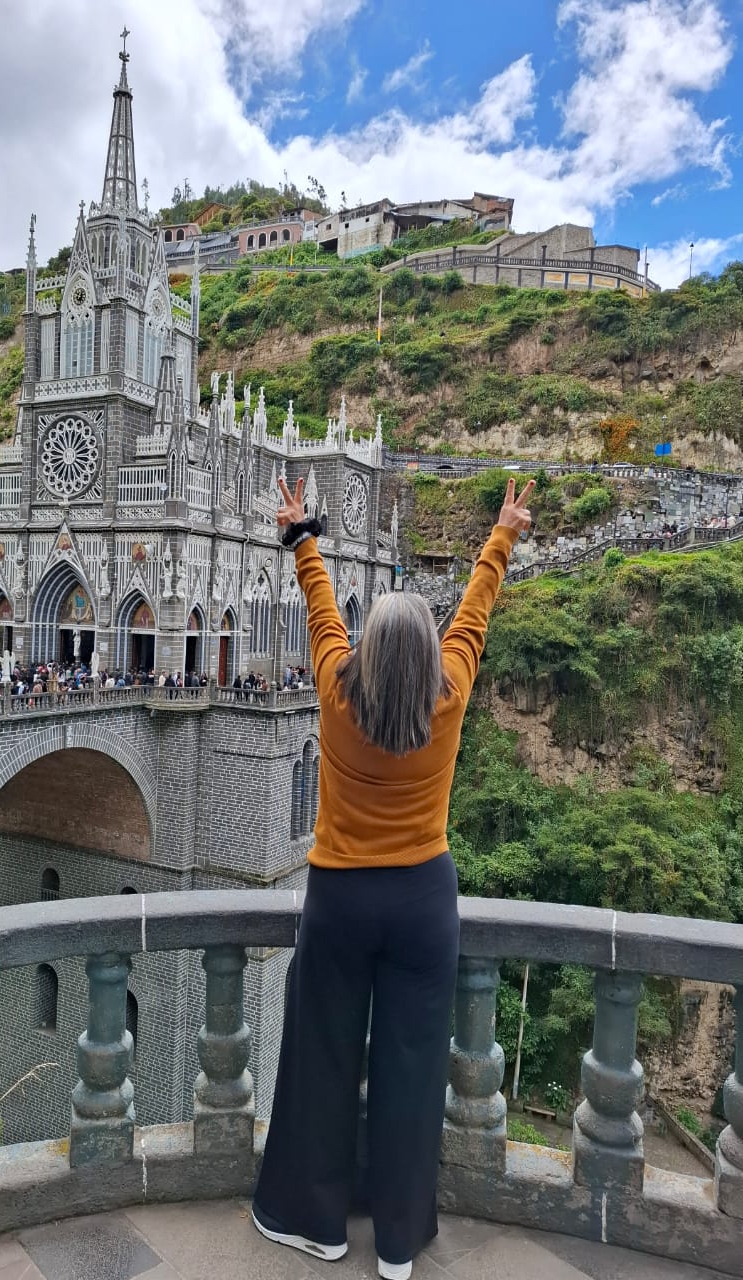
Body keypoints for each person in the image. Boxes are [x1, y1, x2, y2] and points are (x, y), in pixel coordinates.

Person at [252, 474, 533, 1280]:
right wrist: (502, 535)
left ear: (369, 648)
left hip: (341, 897)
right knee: (412, 1068)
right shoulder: (450, 694)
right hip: (421, 902)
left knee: (324, 1057)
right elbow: (473, 613)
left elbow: (320, 606)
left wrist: (302, 534)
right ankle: (400, 1244)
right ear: (429, 656)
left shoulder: (337, 690)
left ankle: (318, 1225)